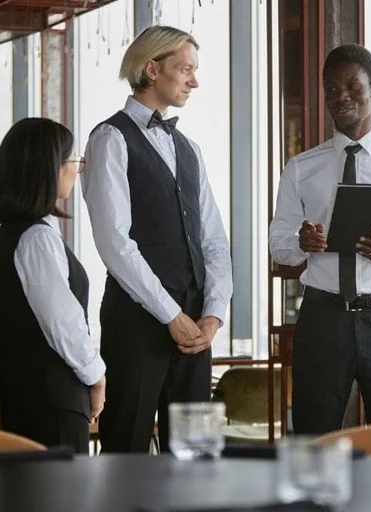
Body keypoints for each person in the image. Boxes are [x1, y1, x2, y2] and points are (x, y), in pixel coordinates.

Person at [269, 44, 371, 435]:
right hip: (322, 320)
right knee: (314, 440)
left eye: (352, 86)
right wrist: (301, 244)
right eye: (331, 89)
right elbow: (278, 242)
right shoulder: (301, 168)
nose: (341, 96)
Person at [82, 25, 232, 453]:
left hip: (196, 325)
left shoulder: (190, 148)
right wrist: (171, 315)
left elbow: (215, 242)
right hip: (137, 324)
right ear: (151, 69)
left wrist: (213, 315)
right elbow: (114, 243)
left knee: (195, 455)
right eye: (185, 69)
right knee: (125, 450)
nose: (194, 81)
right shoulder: (109, 138)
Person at [0, 118, 106, 454]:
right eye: (72, 161)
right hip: (51, 403)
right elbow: (63, 324)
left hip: (30, 400)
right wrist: (96, 375)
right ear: (46, 168)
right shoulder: (36, 238)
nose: (78, 169)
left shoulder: (15, 233)